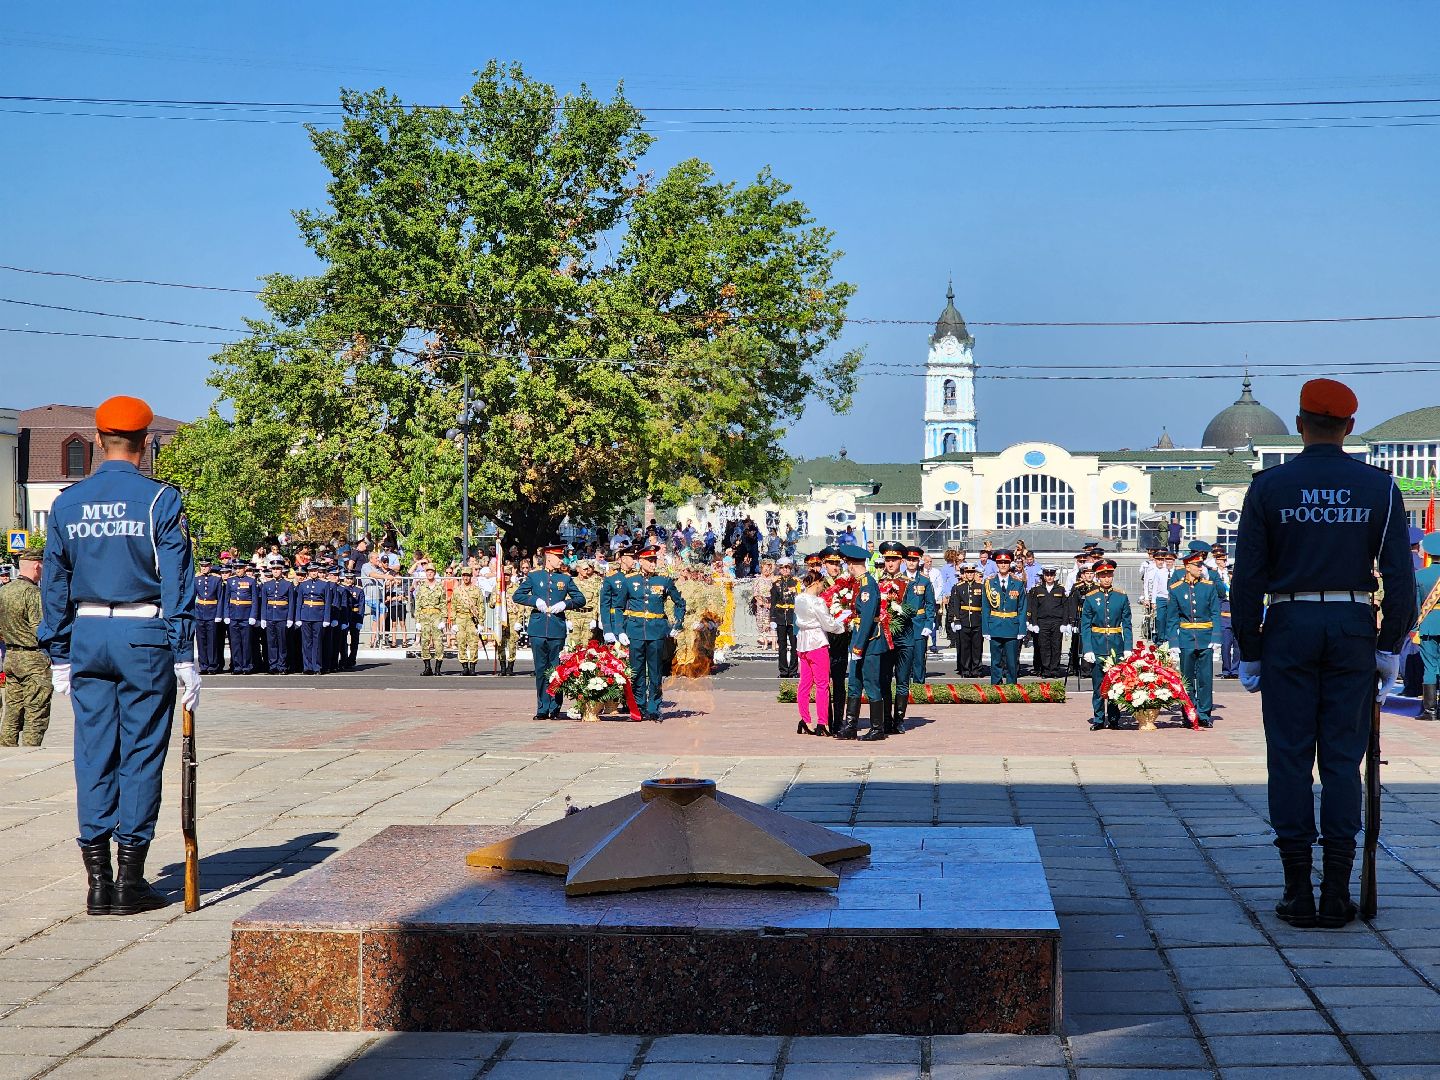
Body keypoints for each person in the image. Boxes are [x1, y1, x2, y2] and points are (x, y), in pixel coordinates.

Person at [1232, 378, 1415, 930]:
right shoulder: (1379, 488)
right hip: (1351, 623)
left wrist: (1251, 648)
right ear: (1350, 427)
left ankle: (1297, 891)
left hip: (1287, 623)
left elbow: (1247, 578)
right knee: (1342, 760)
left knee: (1288, 756)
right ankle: (1336, 892)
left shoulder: (1269, 487)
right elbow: (1401, 584)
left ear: (1299, 422)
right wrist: (1388, 649)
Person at [38, 395, 199, 916]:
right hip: (143, 636)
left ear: (97, 438)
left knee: (93, 754)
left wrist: (59, 651)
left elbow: (54, 583)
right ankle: (130, 880)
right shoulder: (160, 500)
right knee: (142, 753)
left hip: (85, 633)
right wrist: (186, 653)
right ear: (146, 441)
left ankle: (97, 882)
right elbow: (177, 582)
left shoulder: (67, 502)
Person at [513, 545, 585, 719]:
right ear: (548, 557)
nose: (561, 560)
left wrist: (565, 604)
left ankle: (555, 707)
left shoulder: (565, 579)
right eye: (558, 557)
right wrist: (535, 600)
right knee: (540, 670)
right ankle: (542, 708)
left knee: (556, 669)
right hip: (538, 629)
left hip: (556, 629)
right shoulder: (534, 576)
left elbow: (580, 599)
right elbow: (518, 595)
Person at [617, 545, 686, 723]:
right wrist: (619, 630)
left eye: (654, 560)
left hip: (656, 631)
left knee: (655, 671)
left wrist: (677, 623)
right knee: (637, 671)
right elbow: (617, 607)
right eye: (650, 560)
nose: (653, 563)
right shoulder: (629, 581)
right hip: (635, 630)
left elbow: (680, 603)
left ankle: (654, 707)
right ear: (641, 562)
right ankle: (639, 707)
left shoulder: (664, 581)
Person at [1162, 549, 1221, 727]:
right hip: (1186, 639)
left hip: (1205, 637)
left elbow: (1215, 613)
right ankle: (1189, 713)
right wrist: (1173, 642)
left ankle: (1203, 714)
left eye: (1201, 564)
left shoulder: (1208, 587)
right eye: (1197, 565)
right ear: (1188, 567)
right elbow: (1172, 618)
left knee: (1205, 679)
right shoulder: (1176, 589)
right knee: (1187, 680)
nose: (1200, 568)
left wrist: (1216, 637)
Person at [0, 546, 52, 747]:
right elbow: (40, 629)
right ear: (38, 565)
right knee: (36, 713)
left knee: (12, 711)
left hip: (11, 656)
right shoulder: (33, 593)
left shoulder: (4, 591)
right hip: (33, 659)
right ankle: (32, 752)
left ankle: (6, 753)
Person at [840, 543, 889, 742]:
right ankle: (850, 725)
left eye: (847, 566)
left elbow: (868, 617)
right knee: (854, 683)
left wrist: (858, 646)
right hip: (859, 639)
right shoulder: (860, 584)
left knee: (870, 684)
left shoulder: (868, 585)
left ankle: (878, 728)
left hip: (869, 642)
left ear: (852, 565)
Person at [1080, 559, 1132, 731]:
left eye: (1109, 575)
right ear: (1097, 577)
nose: (1107, 579)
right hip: (1097, 644)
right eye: (1103, 575)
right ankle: (1099, 718)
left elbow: (1127, 624)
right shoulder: (1090, 598)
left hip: (1116, 645)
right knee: (1098, 685)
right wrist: (1087, 648)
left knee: (1116, 685)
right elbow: (1085, 625)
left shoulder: (1121, 596)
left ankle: (1115, 718)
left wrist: (1127, 647)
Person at [794, 569, 846, 735]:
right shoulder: (817, 602)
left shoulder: (799, 598)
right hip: (817, 642)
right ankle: (823, 722)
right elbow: (828, 624)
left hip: (802, 642)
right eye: (822, 584)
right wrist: (842, 626)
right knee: (822, 684)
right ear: (816, 583)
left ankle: (805, 719)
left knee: (805, 684)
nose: (823, 587)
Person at [896, 545, 937, 733]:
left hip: (919, 623)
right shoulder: (898, 579)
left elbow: (930, 604)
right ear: (904, 561)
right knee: (902, 661)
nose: (912, 562)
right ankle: (901, 691)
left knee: (919, 659)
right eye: (909, 560)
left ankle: (919, 689)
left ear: (919, 561)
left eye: (915, 560)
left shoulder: (925, 581)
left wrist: (929, 624)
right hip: (902, 624)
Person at [981, 551, 1027, 685]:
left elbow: (1022, 608)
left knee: (1011, 661)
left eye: (1006, 562)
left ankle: (1011, 687)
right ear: (996, 564)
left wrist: (1021, 629)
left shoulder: (1018, 583)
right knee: (995, 661)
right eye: (1000, 562)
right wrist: (986, 629)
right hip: (994, 625)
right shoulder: (989, 583)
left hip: (1012, 626)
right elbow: (985, 608)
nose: (1003, 565)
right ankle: (996, 686)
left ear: (1010, 564)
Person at [820, 547, 852, 734]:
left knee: (839, 682)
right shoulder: (820, 584)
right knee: (824, 682)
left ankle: (838, 721)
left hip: (841, 638)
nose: (835, 567)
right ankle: (825, 719)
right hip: (824, 638)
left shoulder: (846, 584)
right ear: (825, 564)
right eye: (831, 563)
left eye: (837, 563)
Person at [1415, 533, 1440, 722]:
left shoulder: (1420, 576)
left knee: (1430, 666)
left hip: (1429, 624)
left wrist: (1414, 627)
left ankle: (1430, 711)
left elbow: (1416, 605)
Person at [1027, 567, 1069, 679]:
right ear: (1044, 576)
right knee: (1044, 646)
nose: (1049, 577)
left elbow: (1065, 607)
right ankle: (1045, 669)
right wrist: (1034, 623)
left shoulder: (1060, 589)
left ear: (1054, 576)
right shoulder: (1037, 590)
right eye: (1047, 575)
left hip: (1057, 621)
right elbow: (1034, 607)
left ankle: (1054, 669)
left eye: (1051, 575)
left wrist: (1065, 623)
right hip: (1042, 621)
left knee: (1056, 646)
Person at [221, 560, 259, 675]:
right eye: (236, 568)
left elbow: (254, 600)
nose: (238, 570)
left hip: (246, 616)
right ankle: (237, 666)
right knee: (235, 642)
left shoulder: (251, 581)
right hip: (233, 616)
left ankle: (247, 666)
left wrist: (253, 616)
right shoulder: (230, 581)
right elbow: (226, 600)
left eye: (240, 568)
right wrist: (226, 615)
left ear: (244, 568)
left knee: (246, 642)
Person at [947, 563, 985, 677]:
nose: (970, 574)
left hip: (977, 620)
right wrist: (956, 619)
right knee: (965, 647)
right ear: (964, 573)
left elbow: (984, 605)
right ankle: (965, 670)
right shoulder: (959, 587)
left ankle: (976, 670)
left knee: (977, 647)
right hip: (964, 620)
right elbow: (956, 604)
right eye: (968, 572)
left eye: (972, 572)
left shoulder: (981, 586)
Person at [258, 562, 296, 675]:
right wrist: (263, 618)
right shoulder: (267, 584)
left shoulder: (288, 584)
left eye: (278, 569)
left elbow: (291, 603)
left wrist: (290, 618)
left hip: (282, 617)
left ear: (282, 570)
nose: (275, 571)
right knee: (271, 643)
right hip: (270, 616)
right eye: (273, 569)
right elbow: (264, 602)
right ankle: (272, 665)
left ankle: (282, 665)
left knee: (282, 643)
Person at [294, 564, 331, 675]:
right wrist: (298, 617)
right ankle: (307, 667)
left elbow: (327, 602)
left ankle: (317, 667)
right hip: (305, 616)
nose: (314, 573)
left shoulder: (324, 584)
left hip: (318, 616)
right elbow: (299, 602)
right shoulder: (303, 585)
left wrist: (326, 618)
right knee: (306, 643)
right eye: (311, 571)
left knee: (317, 642)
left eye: (315, 570)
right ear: (308, 573)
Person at [414, 564, 448, 676]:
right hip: (424, 616)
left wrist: (444, 619)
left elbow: (443, 603)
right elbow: (418, 604)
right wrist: (417, 620)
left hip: (436, 616)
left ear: (434, 573)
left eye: (431, 571)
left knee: (438, 642)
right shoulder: (421, 586)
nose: (429, 573)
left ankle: (438, 668)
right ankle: (427, 667)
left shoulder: (440, 586)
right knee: (424, 642)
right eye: (427, 571)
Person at [451, 567, 485, 675]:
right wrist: (453, 622)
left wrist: (481, 623)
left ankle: (472, 667)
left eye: (468, 575)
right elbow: (453, 607)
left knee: (473, 644)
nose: (466, 578)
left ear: (471, 576)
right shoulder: (457, 591)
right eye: (464, 575)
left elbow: (481, 607)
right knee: (461, 643)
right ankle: (464, 667)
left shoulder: (476, 590)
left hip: (472, 620)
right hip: (460, 619)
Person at [194, 557, 224, 674]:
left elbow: (220, 598)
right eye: (202, 566)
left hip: (212, 612)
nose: (204, 568)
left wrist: (218, 614)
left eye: (206, 566)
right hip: (200, 612)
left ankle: (212, 665)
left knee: (212, 641)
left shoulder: (216, 579)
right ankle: (203, 665)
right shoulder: (197, 579)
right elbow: (193, 597)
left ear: (210, 566)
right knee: (201, 641)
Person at [770, 557, 799, 678]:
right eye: (783, 568)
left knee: (794, 645)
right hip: (781, 616)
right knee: (781, 645)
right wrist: (772, 619)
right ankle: (783, 671)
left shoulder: (796, 582)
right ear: (780, 569)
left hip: (793, 617)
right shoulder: (776, 583)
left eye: (787, 567)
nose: (785, 570)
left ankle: (793, 671)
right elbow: (773, 602)